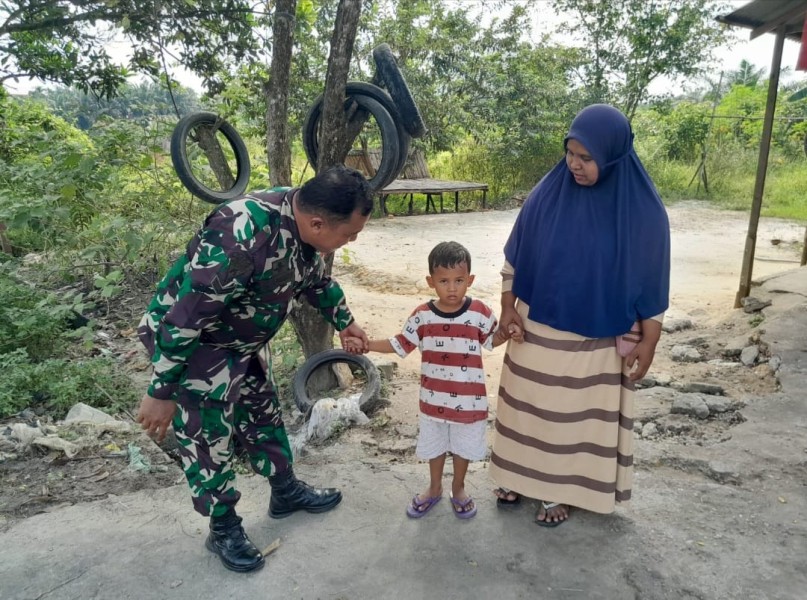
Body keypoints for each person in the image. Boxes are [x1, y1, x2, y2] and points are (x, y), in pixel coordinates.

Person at [136, 165, 373, 572]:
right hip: (197, 344)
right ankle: (223, 527)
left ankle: (285, 491)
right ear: (317, 223)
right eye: (349, 235)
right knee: (208, 436)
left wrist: (344, 320)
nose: (350, 241)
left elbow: (316, 281)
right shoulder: (240, 235)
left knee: (262, 413)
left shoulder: (304, 218)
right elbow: (186, 318)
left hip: (238, 343)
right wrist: (162, 390)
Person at [490, 104, 670, 527]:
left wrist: (650, 339)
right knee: (528, 407)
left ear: (612, 155)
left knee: (573, 418)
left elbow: (653, 279)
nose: (574, 164)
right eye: (570, 153)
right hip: (536, 329)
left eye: (586, 157)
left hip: (596, 341)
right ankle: (516, 476)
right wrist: (507, 306)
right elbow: (516, 255)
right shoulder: (548, 193)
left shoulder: (643, 211)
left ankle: (561, 490)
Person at [345, 241, 522, 519]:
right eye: (443, 281)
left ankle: (458, 487)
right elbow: (400, 344)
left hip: (469, 402)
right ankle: (434, 487)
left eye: (459, 281)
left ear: (470, 280)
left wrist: (509, 332)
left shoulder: (479, 312)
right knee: (435, 447)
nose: (452, 288)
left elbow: (492, 340)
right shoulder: (422, 316)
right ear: (431, 282)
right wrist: (367, 345)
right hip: (433, 401)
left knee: (463, 448)